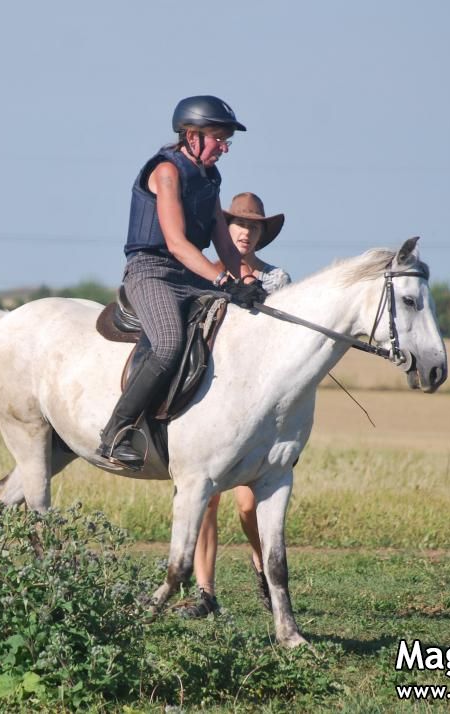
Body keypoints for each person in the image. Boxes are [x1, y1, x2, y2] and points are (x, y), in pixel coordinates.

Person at [96, 97, 268, 472]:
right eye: (218, 139)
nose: (224, 147)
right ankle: (116, 431)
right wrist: (222, 278)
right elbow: (176, 242)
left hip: (191, 276)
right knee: (170, 343)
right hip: (151, 271)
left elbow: (222, 239)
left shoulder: (210, 178)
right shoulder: (166, 172)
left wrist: (249, 280)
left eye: (226, 141)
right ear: (192, 136)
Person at [180, 192, 290, 618]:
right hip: (210, 399)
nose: (245, 232)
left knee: (248, 504)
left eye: (254, 226)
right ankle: (206, 593)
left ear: (263, 234)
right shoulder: (206, 271)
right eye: (238, 225)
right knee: (204, 498)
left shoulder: (278, 281)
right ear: (225, 229)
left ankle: (263, 566)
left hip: (255, 409)